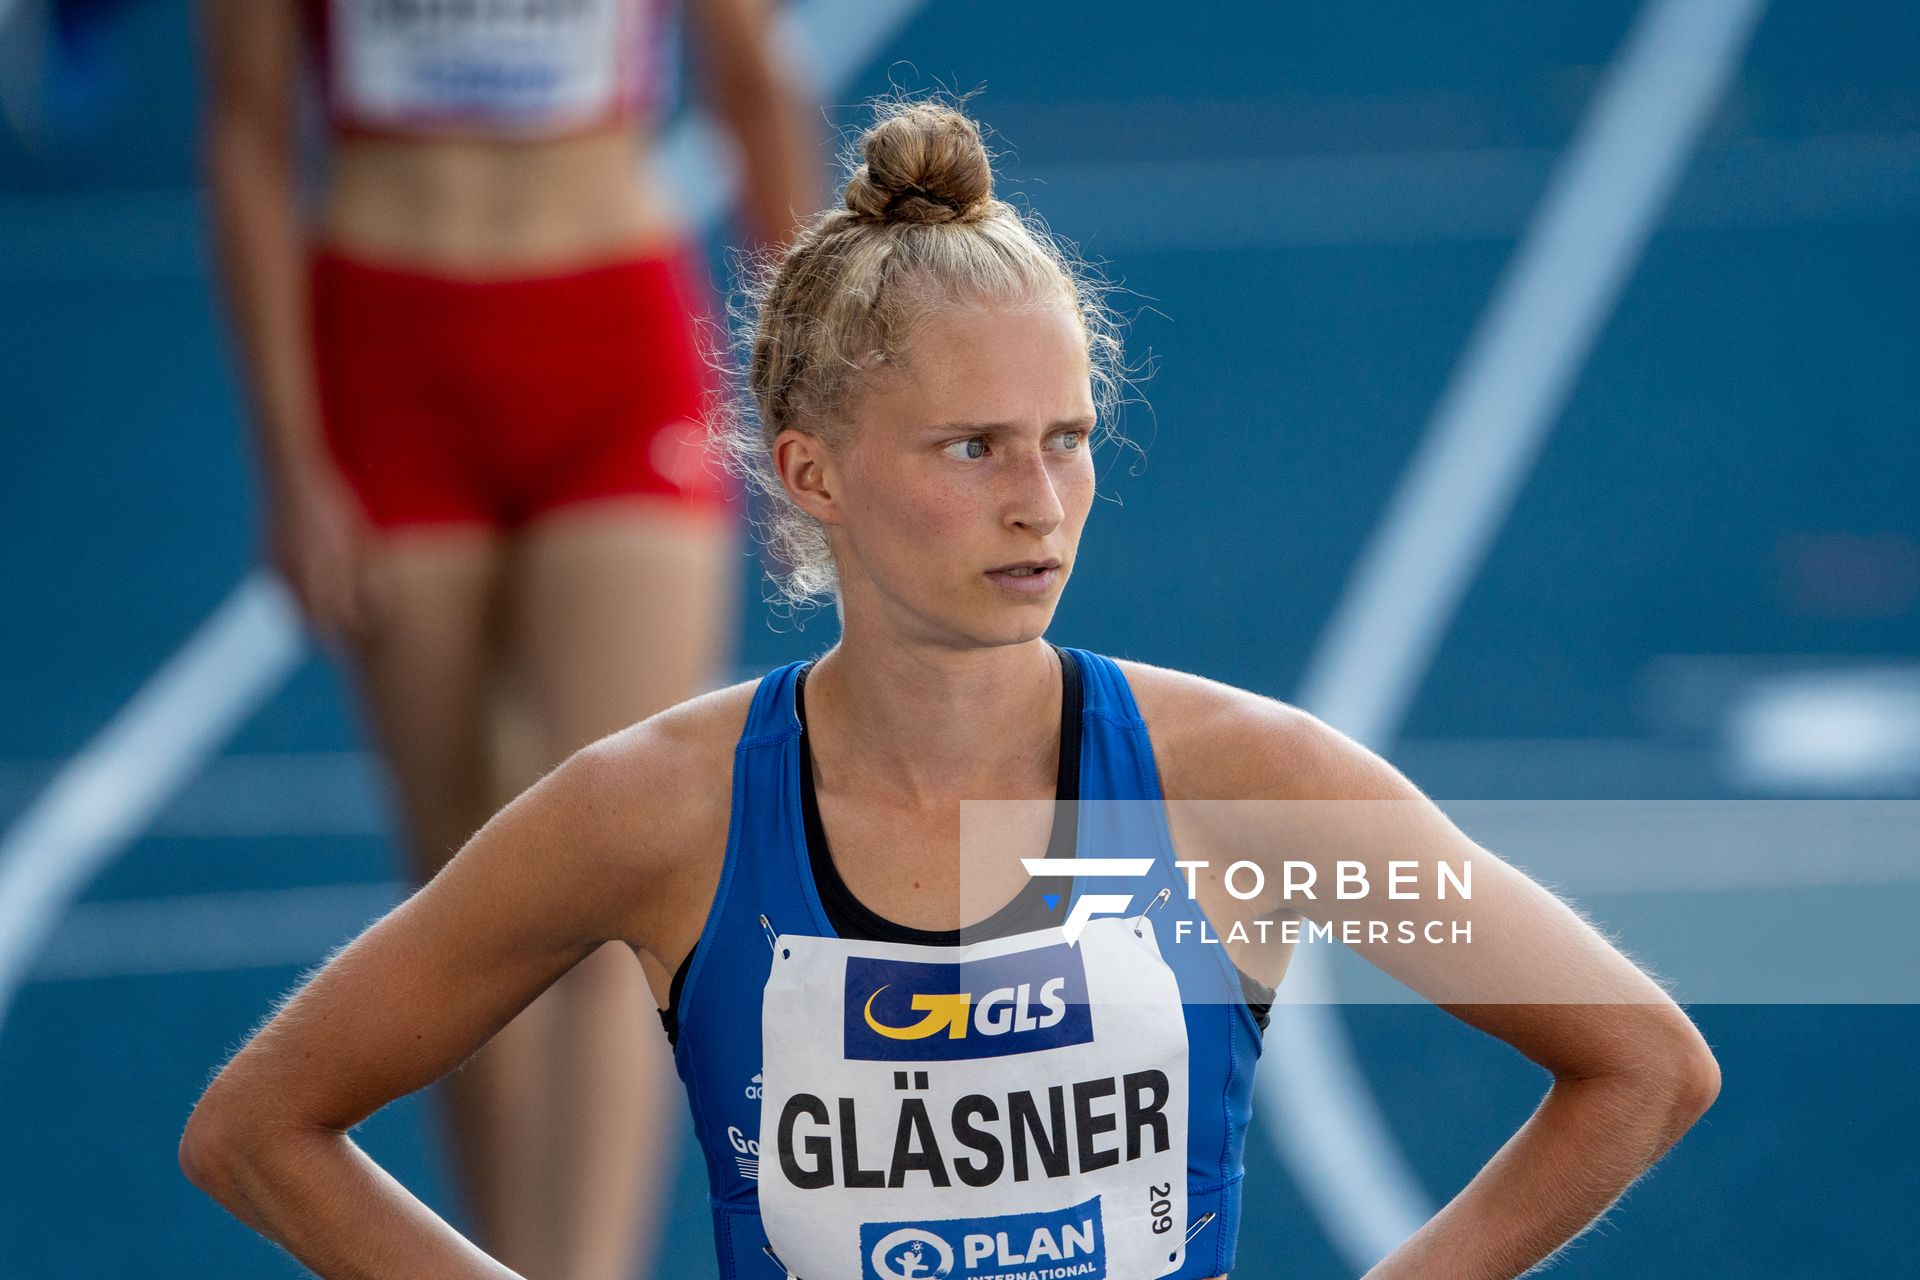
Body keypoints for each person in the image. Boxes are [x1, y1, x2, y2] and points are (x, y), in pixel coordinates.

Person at [180, 99, 1721, 1280]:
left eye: (1067, 438)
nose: (1039, 503)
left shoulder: (1250, 786)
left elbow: (1641, 1063)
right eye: (972, 448)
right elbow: (259, 1130)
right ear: (812, 473)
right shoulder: (655, 808)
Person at [196, 3, 817, 1277]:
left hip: (613, 342)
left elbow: (752, 78)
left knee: (619, 868)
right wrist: (290, 460)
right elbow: (249, 136)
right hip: (388, 351)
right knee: (466, 897)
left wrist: (804, 404)